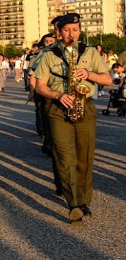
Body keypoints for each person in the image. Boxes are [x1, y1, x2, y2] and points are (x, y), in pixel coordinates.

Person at [35, 13, 111, 223]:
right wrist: (58, 95)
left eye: (75, 30)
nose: (71, 35)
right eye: (67, 30)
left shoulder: (89, 52)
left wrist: (88, 74)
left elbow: (107, 80)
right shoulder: (49, 54)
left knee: (84, 158)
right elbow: (40, 86)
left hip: (84, 106)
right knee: (65, 158)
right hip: (59, 108)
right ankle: (74, 204)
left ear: (80, 30)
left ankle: (84, 200)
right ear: (60, 31)